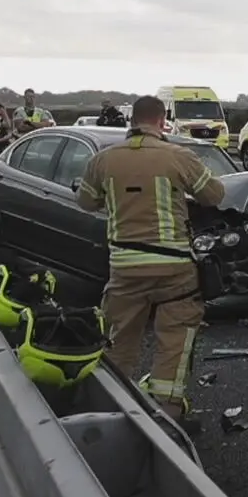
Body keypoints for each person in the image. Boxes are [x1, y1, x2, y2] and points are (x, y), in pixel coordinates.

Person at [75, 96, 227, 420]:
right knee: (175, 338)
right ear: (162, 122)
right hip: (175, 270)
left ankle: (110, 410)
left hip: (125, 269)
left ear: (132, 122)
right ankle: (167, 412)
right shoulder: (177, 156)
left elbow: (85, 202)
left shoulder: (104, 160)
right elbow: (214, 194)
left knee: (117, 339)